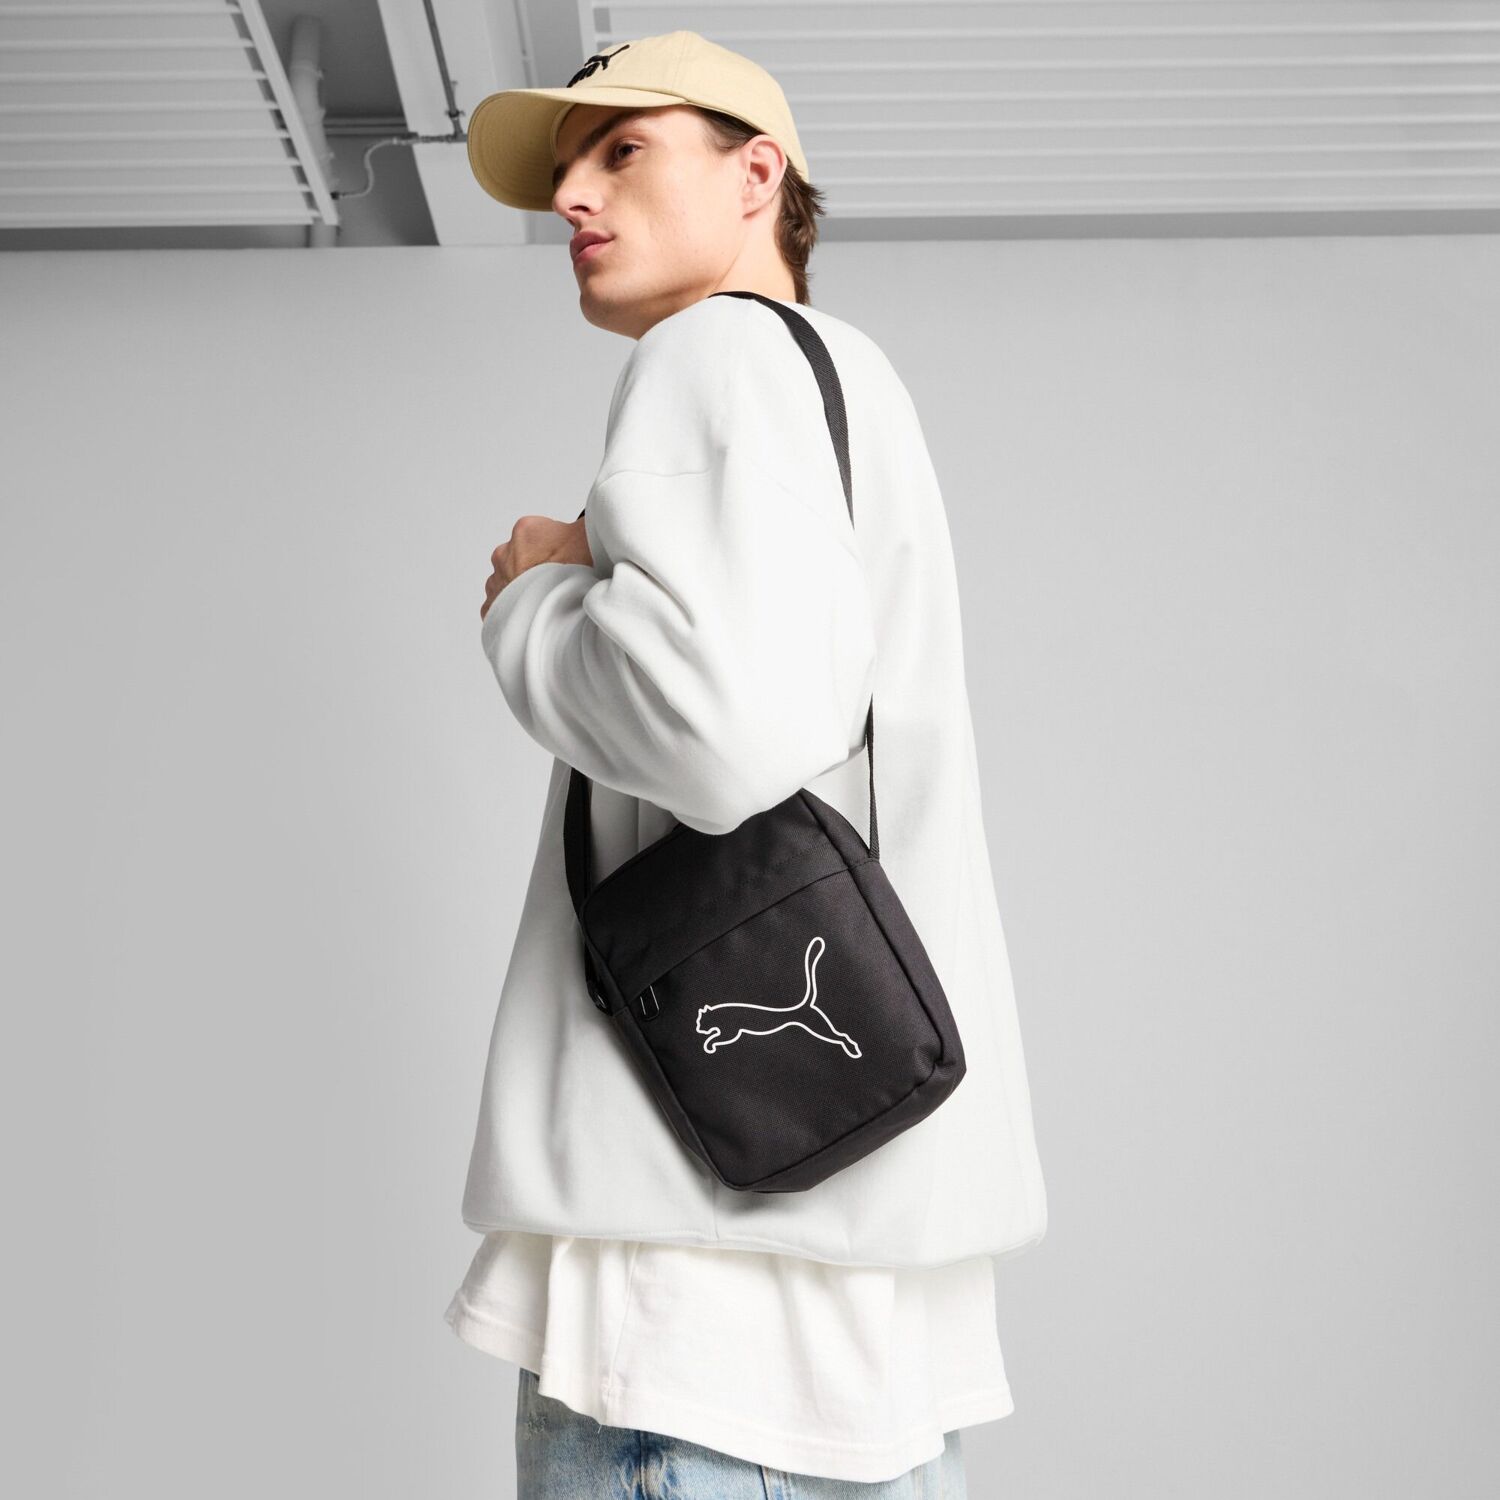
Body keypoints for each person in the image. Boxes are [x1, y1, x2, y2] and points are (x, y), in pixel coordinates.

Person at [447, 29, 1049, 1496]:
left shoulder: (711, 352)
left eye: (623, 150)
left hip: (688, 1316)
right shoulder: (850, 389)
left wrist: (537, 595)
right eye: (567, 171)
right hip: (857, 1311)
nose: (572, 197)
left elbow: (720, 733)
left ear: (757, 172)